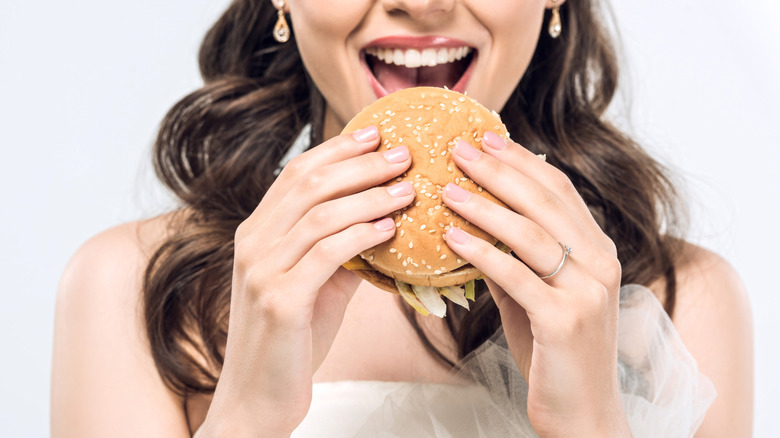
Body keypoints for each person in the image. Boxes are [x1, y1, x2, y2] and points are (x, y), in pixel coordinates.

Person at [50, 0, 754, 436]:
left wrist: (590, 424)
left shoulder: (683, 299)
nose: (421, 4)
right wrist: (247, 418)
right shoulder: (129, 286)